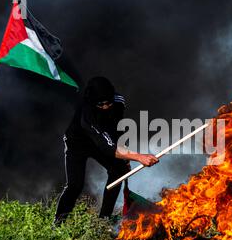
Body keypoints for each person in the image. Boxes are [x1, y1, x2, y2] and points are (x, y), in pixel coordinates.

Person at [54, 76, 158, 225]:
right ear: (93, 102)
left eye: (109, 103)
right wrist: (139, 157)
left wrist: (126, 155)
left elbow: (116, 129)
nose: (106, 106)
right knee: (75, 186)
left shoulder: (118, 101)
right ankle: (58, 223)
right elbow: (106, 146)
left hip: (102, 140)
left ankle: (103, 221)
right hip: (78, 144)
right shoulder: (87, 113)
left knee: (119, 171)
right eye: (101, 104)